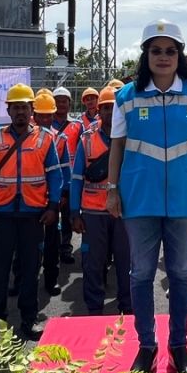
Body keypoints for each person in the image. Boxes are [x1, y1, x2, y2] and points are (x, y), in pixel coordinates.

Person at [107, 19, 187, 373]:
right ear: (146, 55)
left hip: (185, 198)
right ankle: (147, 346)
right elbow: (117, 148)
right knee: (140, 274)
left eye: (171, 50)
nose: (164, 57)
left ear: (179, 55)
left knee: (181, 274)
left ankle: (179, 346)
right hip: (139, 198)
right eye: (156, 51)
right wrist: (112, 190)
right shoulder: (126, 96)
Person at [0, 83, 63, 342]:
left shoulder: (46, 138)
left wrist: (53, 206)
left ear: (32, 109)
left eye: (25, 107)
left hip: (33, 214)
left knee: (30, 268)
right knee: (0, 270)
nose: (21, 112)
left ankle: (29, 318)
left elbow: (55, 175)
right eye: (16, 107)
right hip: (2, 214)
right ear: (8, 110)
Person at [71, 87, 131, 315]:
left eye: (113, 107)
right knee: (93, 264)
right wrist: (74, 212)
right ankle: (94, 309)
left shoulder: (130, 138)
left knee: (127, 263)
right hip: (93, 212)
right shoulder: (86, 139)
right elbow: (76, 177)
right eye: (105, 107)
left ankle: (128, 308)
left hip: (124, 212)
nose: (109, 112)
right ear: (98, 110)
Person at [32, 89, 72, 297]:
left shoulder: (60, 138)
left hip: (51, 201)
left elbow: (65, 170)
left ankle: (51, 279)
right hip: (30, 200)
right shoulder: (26, 138)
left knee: (51, 243)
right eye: (41, 115)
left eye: (49, 115)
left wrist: (63, 195)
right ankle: (21, 278)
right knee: (26, 246)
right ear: (34, 115)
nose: (45, 119)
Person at [52, 87, 78, 265]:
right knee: (51, 215)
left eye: (64, 100)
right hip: (51, 177)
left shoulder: (77, 125)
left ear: (70, 103)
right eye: (57, 100)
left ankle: (65, 247)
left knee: (68, 215)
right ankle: (50, 249)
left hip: (71, 177)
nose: (60, 104)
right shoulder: (44, 123)